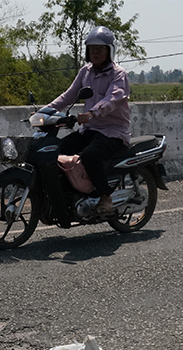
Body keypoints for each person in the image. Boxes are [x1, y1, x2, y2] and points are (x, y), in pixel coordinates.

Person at [49, 25, 131, 218]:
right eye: (92, 48)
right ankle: (72, 195)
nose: (95, 52)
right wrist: (45, 111)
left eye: (100, 48)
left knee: (90, 156)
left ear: (109, 51)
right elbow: (68, 96)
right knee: (57, 150)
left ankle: (105, 197)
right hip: (90, 129)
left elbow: (111, 99)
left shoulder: (118, 74)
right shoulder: (85, 72)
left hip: (113, 131)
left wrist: (92, 113)